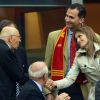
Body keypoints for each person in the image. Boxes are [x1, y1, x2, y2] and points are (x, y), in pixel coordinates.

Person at [45, 3, 89, 100]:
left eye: (71, 17)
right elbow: (47, 68)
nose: (67, 19)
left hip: (84, 88)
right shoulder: (53, 37)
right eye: (66, 15)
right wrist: (48, 92)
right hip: (59, 88)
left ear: (81, 20)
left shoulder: (95, 38)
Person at [46, 25, 100, 100]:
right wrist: (55, 84)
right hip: (96, 93)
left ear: (88, 34)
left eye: (80, 36)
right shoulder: (78, 57)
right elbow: (70, 78)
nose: (78, 40)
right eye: (76, 38)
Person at [0, 19, 29, 98]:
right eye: (18, 37)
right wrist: (36, 75)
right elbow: (19, 76)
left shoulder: (4, 48)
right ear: (10, 38)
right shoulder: (5, 51)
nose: (19, 40)